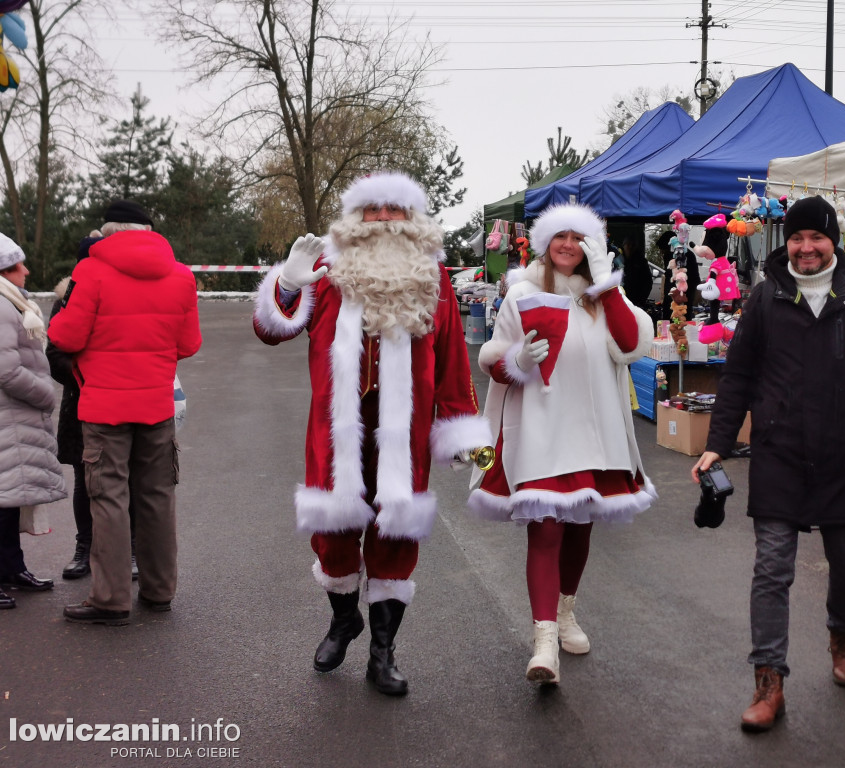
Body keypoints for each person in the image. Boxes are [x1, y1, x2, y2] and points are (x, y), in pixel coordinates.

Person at [252, 171, 490, 696]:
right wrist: (287, 284)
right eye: (372, 210)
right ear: (357, 219)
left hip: (403, 435)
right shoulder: (325, 271)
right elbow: (271, 330)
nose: (383, 219)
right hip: (337, 431)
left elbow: (452, 361)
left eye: (394, 210)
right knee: (333, 531)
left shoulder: (435, 277)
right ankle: (343, 619)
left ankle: (382, 653)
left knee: (395, 533)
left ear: (410, 220)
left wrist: (470, 437)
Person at [690, 195, 845, 732]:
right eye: (796, 238)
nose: (806, 247)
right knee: (771, 571)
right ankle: (769, 681)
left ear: (832, 241)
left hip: (844, 455)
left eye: (815, 237)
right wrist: (716, 443)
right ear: (786, 243)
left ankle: (843, 635)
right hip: (780, 452)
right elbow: (739, 376)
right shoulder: (766, 298)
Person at [468, 202, 656, 685]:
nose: (568, 245)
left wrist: (606, 284)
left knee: (579, 528)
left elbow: (632, 344)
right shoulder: (523, 293)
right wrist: (519, 359)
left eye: (579, 237)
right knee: (547, 528)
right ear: (545, 243)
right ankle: (544, 639)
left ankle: (567, 612)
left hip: (596, 434)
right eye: (560, 237)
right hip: (542, 429)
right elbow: (494, 357)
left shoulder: (606, 297)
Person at [48, 199, 202, 625]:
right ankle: (159, 590)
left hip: (104, 407)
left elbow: (65, 335)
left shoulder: (90, 271)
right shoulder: (181, 276)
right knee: (157, 497)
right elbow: (189, 345)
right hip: (156, 405)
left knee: (109, 498)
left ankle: (110, 599)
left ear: (109, 232)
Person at [47, 233, 140, 582]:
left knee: (126, 481)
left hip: (123, 402)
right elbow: (55, 355)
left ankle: (130, 549)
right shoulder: (66, 300)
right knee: (86, 484)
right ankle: (84, 548)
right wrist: (89, 377)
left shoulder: (121, 294)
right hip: (82, 405)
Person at [0, 233, 65, 608]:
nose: (25, 271)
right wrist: (44, 394)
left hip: (13, 418)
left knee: (9, 499)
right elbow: (7, 371)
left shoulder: (12, 300)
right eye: (14, 266)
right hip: (9, 415)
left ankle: (11, 567)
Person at [620, 235, 653, 310]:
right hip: (620, 299)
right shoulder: (618, 259)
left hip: (636, 301)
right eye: (628, 244)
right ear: (623, 245)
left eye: (633, 245)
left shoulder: (641, 261)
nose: (630, 247)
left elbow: (648, 282)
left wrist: (641, 301)